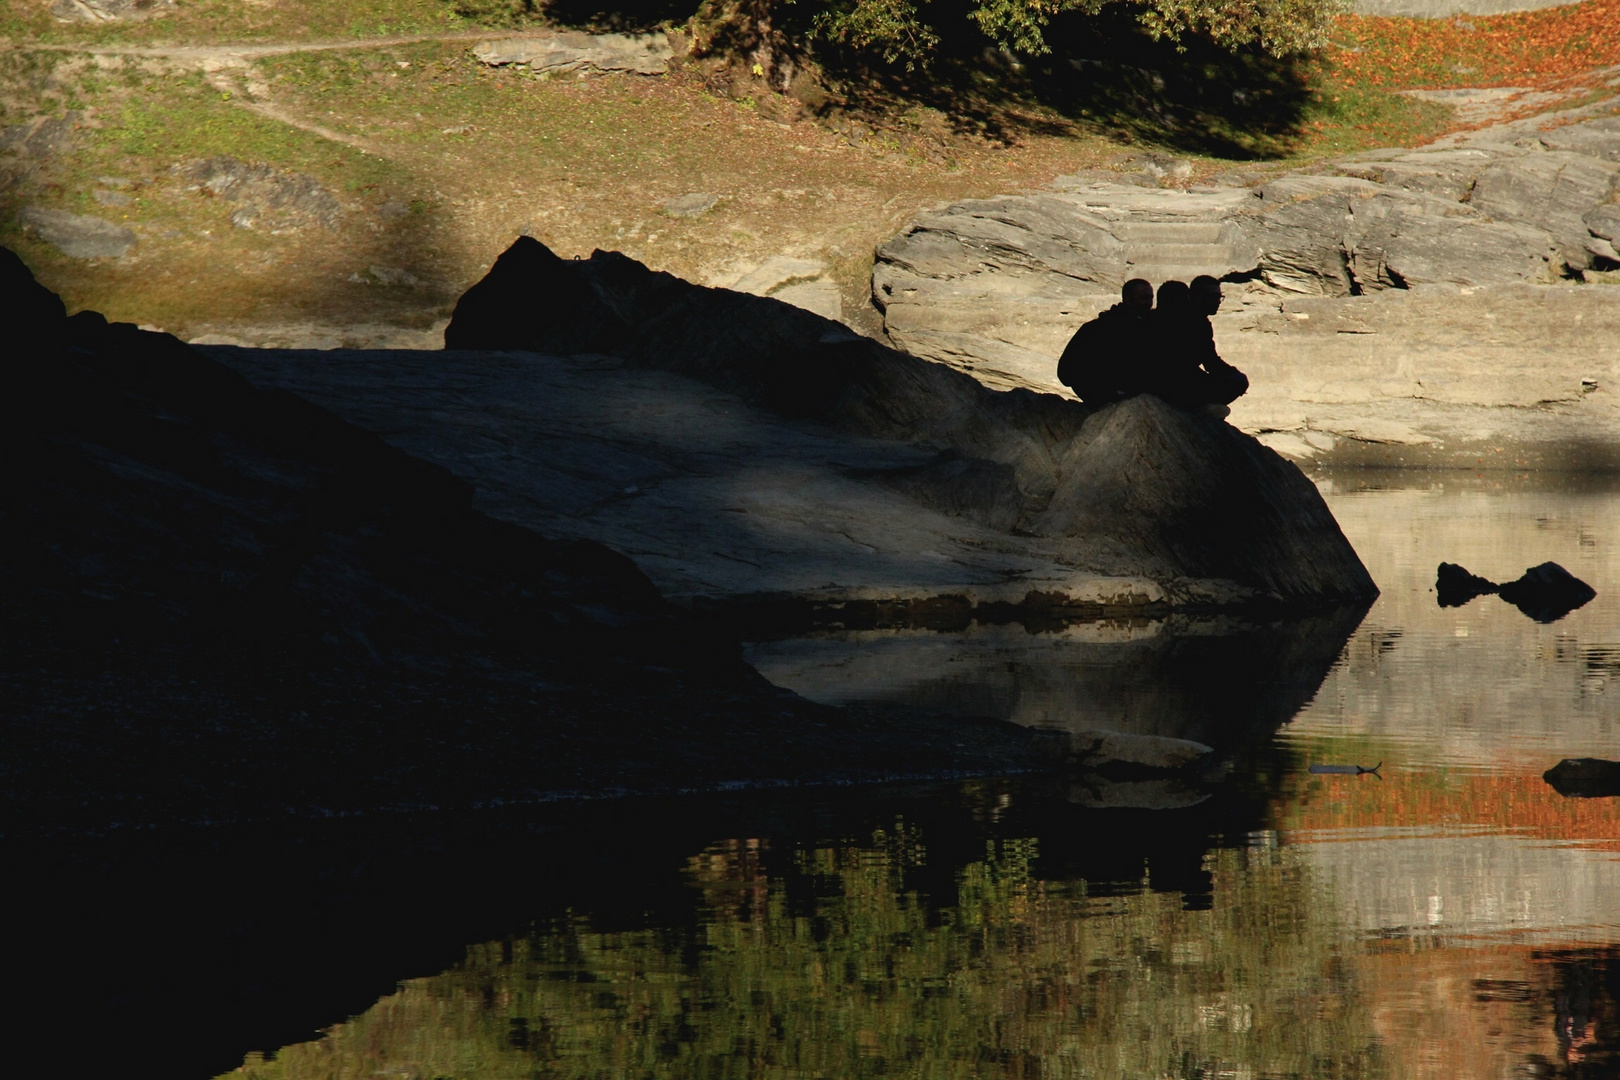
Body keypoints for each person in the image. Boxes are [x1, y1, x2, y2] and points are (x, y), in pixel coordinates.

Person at [1141, 276, 1248, 413]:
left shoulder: (1198, 321)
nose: (1217, 302)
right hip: (1174, 381)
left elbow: (1209, 360)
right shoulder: (1192, 322)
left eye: (1219, 297)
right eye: (1213, 297)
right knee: (1237, 381)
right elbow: (1209, 362)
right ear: (1198, 297)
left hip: (1179, 378)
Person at [1056, 278, 1153, 404]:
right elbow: (1067, 371)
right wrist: (1103, 394)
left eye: (1151, 298)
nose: (1149, 303)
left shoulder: (1151, 329)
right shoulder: (1098, 329)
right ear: (1128, 300)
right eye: (1144, 298)